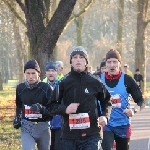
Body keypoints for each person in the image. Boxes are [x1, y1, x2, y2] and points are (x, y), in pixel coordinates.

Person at [47, 46, 111, 150]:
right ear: (71, 62)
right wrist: (65, 109)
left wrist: (104, 115)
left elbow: (107, 100)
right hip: (69, 136)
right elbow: (51, 106)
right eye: (75, 57)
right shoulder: (63, 82)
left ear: (86, 62)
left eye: (81, 57)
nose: (78, 60)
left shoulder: (95, 81)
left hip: (92, 135)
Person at [100, 49, 146, 150]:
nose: (112, 65)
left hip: (123, 124)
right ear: (106, 64)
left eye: (115, 62)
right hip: (106, 125)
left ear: (119, 64)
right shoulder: (99, 79)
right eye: (109, 62)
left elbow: (141, 101)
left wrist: (133, 110)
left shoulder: (127, 79)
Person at [13, 59, 52, 150]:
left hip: (43, 126)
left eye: (33, 73)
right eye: (28, 73)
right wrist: (17, 118)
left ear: (39, 73)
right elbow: (19, 105)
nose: (31, 76)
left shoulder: (46, 88)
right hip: (27, 127)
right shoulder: (20, 88)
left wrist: (41, 109)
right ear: (25, 74)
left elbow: (53, 109)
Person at [44, 61, 63, 150]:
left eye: (53, 71)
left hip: (60, 124)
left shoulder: (62, 85)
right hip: (46, 125)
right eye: (48, 71)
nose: (51, 73)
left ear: (57, 72)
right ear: (45, 73)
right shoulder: (42, 86)